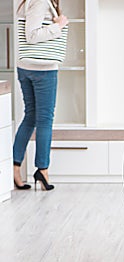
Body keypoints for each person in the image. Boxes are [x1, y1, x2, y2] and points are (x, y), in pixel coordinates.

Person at [13, 0, 68, 191]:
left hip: (26, 67)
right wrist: (58, 26)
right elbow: (32, 35)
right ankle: (42, 170)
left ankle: (15, 168)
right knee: (44, 120)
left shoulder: (29, 2)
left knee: (30, 118)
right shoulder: (40, 1)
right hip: (42, 69)